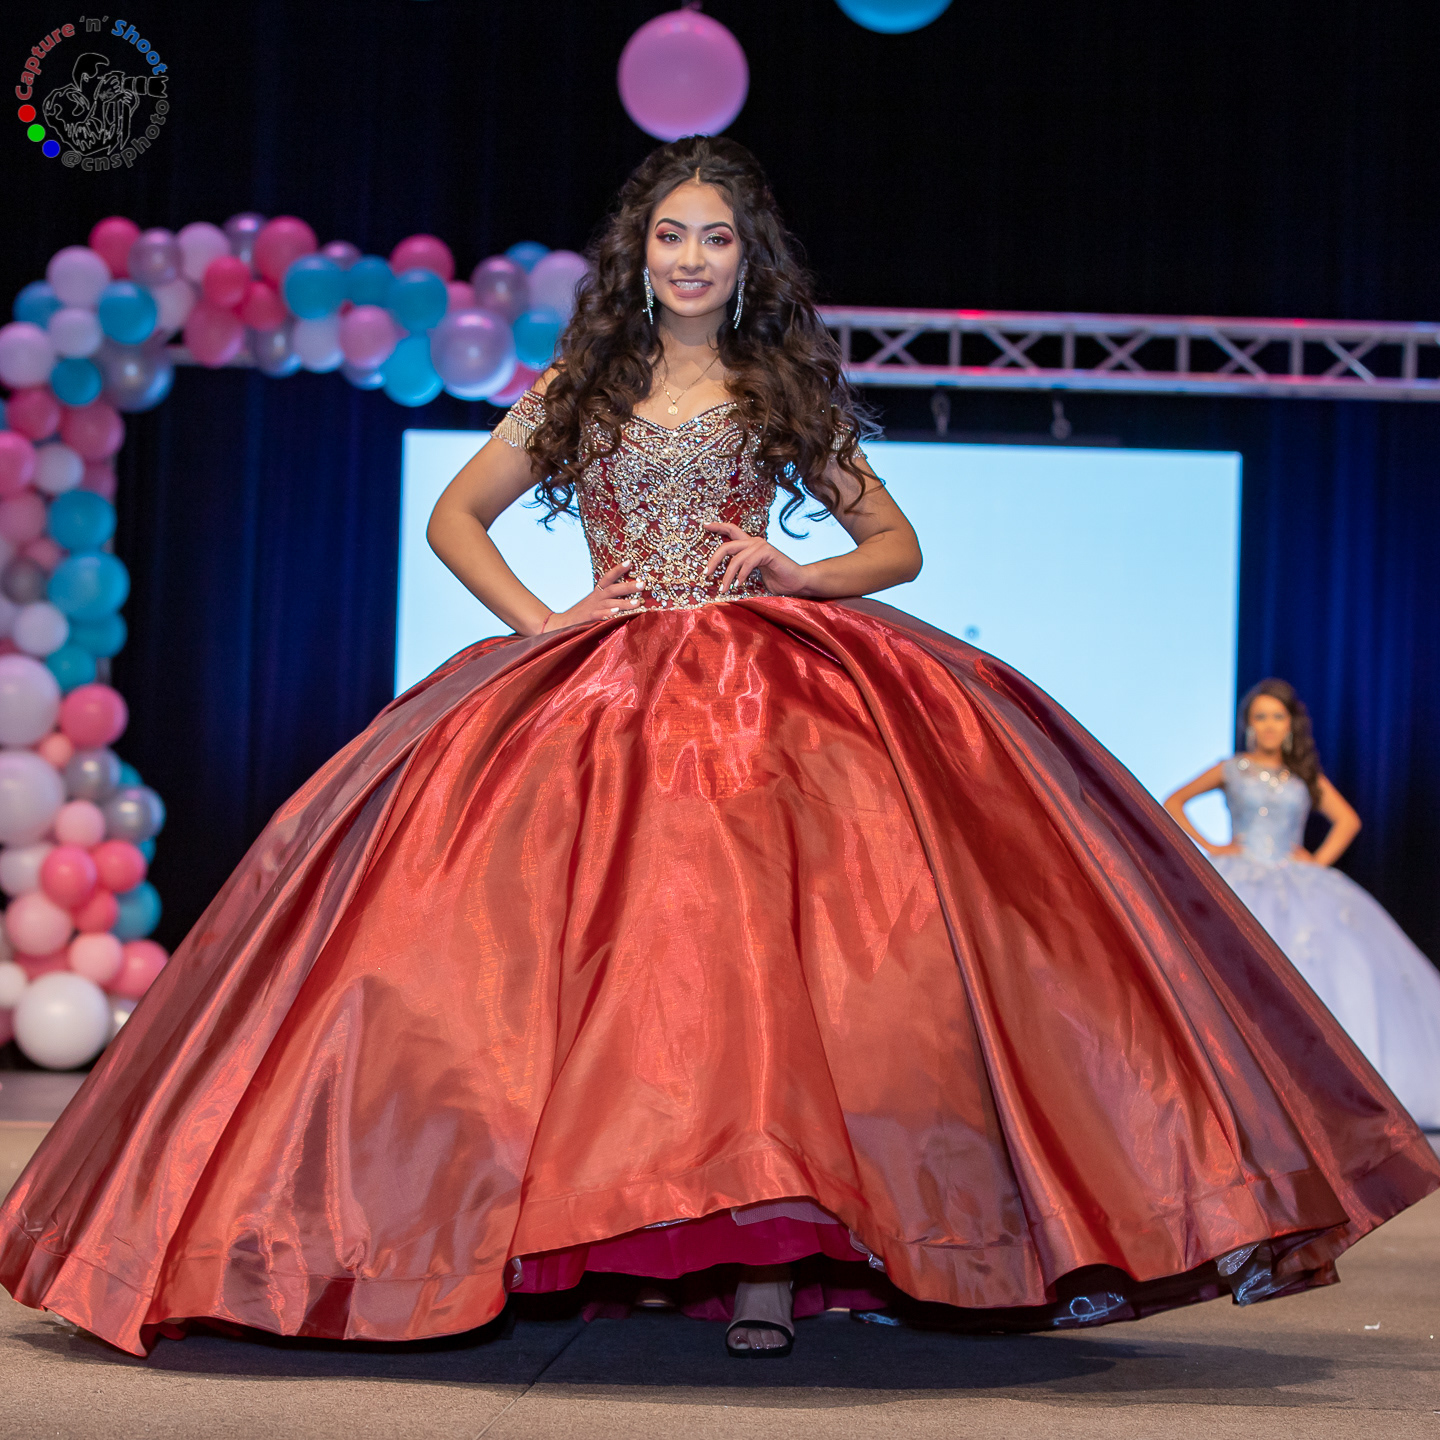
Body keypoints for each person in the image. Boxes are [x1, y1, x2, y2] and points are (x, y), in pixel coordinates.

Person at [1, 139, 1435, 1361]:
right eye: (673, 236)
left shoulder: (777, 388)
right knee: (561, 986)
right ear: (640, 254)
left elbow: (897, 546)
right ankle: (558, 1230)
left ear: (748, 261)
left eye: (717, 239)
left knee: (779, 987)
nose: (692, 258)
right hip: (598, 695)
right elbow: (456, 518)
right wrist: (544, 623)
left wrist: (801, 574)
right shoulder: (581, 388)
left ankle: (766, 1267)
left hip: (766, 698)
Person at [1164, 678, 1440, 1129]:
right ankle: (1247, 1091)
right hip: (1240, 876)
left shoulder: (1301, 777)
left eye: (1277, 716)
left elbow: (1347, 820)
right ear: (1248, 724)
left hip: (1297, 882)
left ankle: (1321, 1097)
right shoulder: (1232, 769)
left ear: (1290, 724)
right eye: (1261, 717)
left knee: (1327, 976)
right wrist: (1212, 846)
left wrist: (1317, 862)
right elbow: (1174, 802)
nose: (1269, 725)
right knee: (1237, 973)